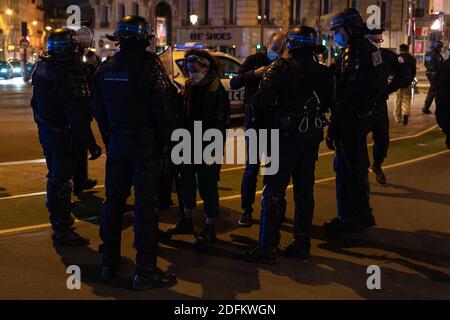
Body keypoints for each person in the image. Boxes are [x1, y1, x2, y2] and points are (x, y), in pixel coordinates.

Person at [93, 15, 177, 290]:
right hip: (145, 147)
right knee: (145, 206)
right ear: (144, 39)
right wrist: (167, 144)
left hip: (118, 143)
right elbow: (164, 112)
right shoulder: (150, 68)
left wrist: (110, 137)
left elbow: (99, 110)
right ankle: (146, 269)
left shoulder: (106, 68)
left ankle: (108, 262)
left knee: (113, 202)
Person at [240, 26, 333, 264]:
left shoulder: (280, 68)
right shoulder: (324, 72)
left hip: (283, 138)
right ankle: (302, 243)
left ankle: (267, 247)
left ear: (291, 45)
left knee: (273, 190)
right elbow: (330, 104)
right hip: (311, 137)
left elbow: (260, 104)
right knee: (304, 190)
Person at [31, 28, 102, 245]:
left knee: (55, 175)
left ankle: (56, 210)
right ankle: (61, 227)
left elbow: (34, 102)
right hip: (62, 133)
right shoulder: (70, 70)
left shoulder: (42, 65)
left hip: (46, 129)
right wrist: (91, 144)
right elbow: (78, 114)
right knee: (61, 180)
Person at [324, 9, 390, 234]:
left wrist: (334, 125)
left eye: (338, 30)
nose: (335, 35)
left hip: (350, 121)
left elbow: (347, 93)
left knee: (345, 169)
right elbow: (379, 86)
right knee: (359, 167)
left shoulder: (352, 52)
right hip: (366, 117)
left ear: (349, 29)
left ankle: (347, 219)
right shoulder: (372, 50)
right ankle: (363, 213)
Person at [167, 49, 230, 248]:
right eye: (189, 69)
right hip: (187, 140)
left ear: (205, 67)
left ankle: (209, 227)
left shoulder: (215, 88)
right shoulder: (188, 87)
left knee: (207, 184)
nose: (191, 72)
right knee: (186, 183)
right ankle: (187, 219)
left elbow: (220, 120)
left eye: (194, 69)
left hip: (206, 142)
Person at [230, 32, 287, 227]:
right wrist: (254, 73)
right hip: (254, 121)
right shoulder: (255, 60)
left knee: (273, 169)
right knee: (252, 168)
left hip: (275, 123)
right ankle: (247, 209)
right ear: (268, 44)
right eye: (275, 47)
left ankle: (272, 207)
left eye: (282, 48)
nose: (278, 51)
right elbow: (235, 82)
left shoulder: (284, 65)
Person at [366, 29, 412, 185]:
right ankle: (361, 171)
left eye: (379, 39)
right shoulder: (354, 55)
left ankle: (377, 165)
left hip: (378, 105)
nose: (377, 42)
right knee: (357, 141)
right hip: (358, 107)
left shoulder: (385, 56)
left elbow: (405, 74)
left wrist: (389, 89)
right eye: (374, 39)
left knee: (382, 139)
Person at [72, 49, 100, 196]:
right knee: (77, 149)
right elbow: (81, 103)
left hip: (52, 121)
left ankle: (80, 181)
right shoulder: (76, 70)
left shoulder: (46, 66)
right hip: (73, 119)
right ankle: (75, 186)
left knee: (78, 151)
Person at [394, 44, 417, 125]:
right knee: (406, 99)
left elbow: (393, 70)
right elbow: (414, 71)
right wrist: (410, 79)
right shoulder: (411, 58)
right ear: (407, 49)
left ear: (400, 49)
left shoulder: (396, 57)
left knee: (398, 99)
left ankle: (397, 117)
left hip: (397, 82)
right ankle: (406, 114)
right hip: (407, 82)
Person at [423, 40, 444, 114]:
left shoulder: (427, 54)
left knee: (433, 90)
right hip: (435, 75)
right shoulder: (437, 55)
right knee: (433, 91)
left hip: (429, 73)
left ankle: (426, 107)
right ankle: (426, 107)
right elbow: (440, 66)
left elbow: (425, 64)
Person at [435, 56, 450, 150]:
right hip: (445, 94)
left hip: (442, 94)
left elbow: (437, 78)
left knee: (443, 116)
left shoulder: (445, 63)